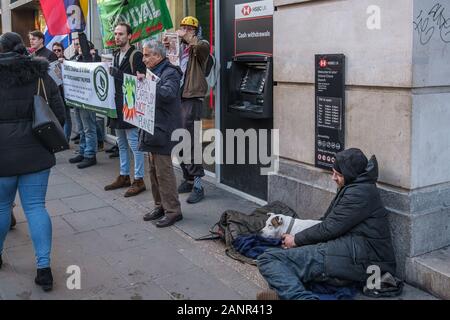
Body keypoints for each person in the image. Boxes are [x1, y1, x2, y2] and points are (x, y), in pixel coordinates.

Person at [257, 148, 397, 300]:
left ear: (350, 174)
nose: (333, 178)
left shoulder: (359, 193)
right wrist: (299, 240)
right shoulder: (356, 187)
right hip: (353, 251)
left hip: (361, 258)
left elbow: (329, 227)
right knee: (285, 257)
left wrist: (296, 240)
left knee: (268, 258)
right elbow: (327, 222)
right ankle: (289, 291)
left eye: (338, 174)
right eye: (333, 172)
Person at [0, 32, 65, 291]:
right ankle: (43, 269)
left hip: (2, 154)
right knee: (36, 207)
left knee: (2, 207)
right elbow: (59, 112)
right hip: (36, 151)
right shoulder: (40, 74)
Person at [163, 16, 210, 204]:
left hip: (191, 98)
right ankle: (188, 178)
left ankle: (198, 184)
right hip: (177, 97)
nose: (184, 31)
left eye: (189, 28)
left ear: (196, 31)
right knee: (177, 139)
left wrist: (188, 38)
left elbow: (200, 47)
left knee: (191, 141)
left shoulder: (201, 45)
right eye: (182, 27)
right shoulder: (179, 48)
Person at [138, 41, 183, 228]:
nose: (144, 59)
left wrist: (148, 85)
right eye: (144, 55)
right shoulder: (155, 71)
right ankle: (160, 206)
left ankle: (173, 211)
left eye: (147, 55)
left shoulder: (170, 72)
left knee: (164, 172)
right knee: (153, 172)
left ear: (158, 56)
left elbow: (169, 94)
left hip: (163, 129)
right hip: (151, 128)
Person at [104, 23, 147, 198]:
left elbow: (141, 82)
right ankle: (124, 175)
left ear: (130, 36)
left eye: (121, 34)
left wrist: (117, 74)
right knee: (120, 142)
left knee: (134, 144)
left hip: (130, 104)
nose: (117, 37)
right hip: (117, 104)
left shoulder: (136, 55)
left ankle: (139, 179)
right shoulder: (115, 54)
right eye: (115, 34)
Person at [68, 39, 101, 169]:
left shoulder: (92, 58)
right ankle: (82, 151)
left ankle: (90, 154)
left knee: (88, 127)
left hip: (87, 99)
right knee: (81, 128)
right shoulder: (75, 58)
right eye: (76, 45)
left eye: (80, 45)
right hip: (77, 97)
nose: (78, 47)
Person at [52, 42, 72, 142]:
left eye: (58, 50)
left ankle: (65, 139)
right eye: (54, 50)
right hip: (54, 94)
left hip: (65, 93)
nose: (56, 52)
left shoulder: (67, 62)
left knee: (66, 116)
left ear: (63, 51)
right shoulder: (50, 63)